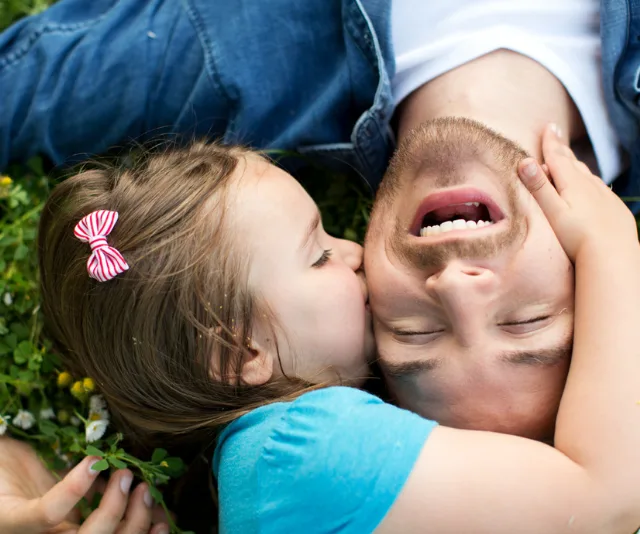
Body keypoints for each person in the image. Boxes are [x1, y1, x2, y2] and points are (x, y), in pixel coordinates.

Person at [0, 125, 636, 533]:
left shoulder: (267, 468)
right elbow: (607, 503)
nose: (353, 250)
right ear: (240, 352)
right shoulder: (304, 450)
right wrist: (612, 248)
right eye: (319, 253)